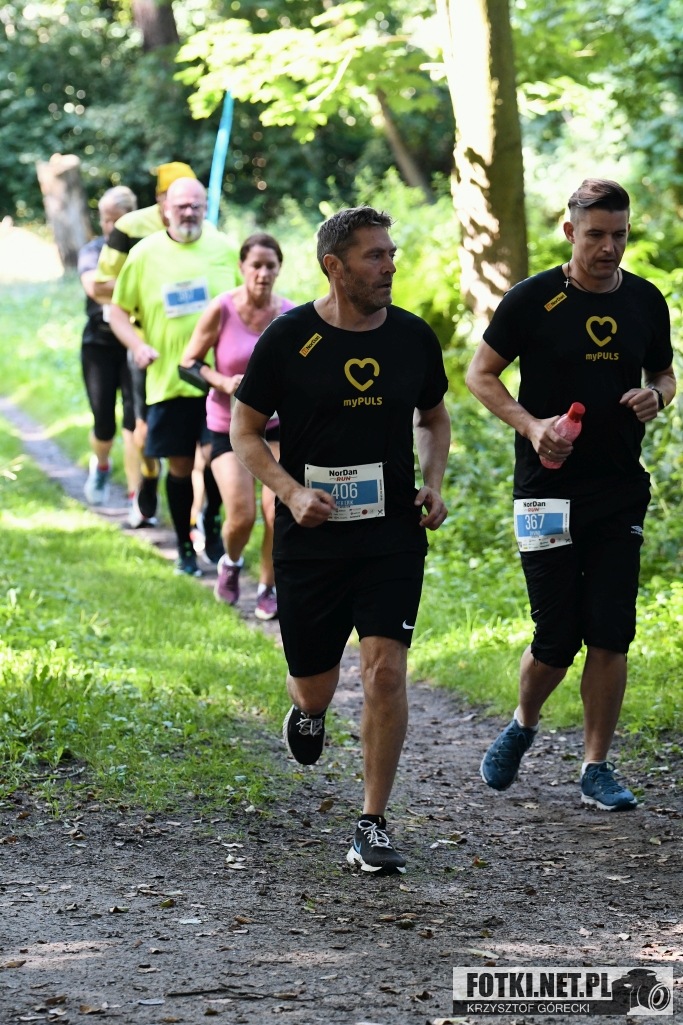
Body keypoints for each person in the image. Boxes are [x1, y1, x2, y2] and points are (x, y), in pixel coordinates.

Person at [230, 207, 451, 873]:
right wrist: (291, 492)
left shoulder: (412, 337)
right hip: (312, 539)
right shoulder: (289, 338)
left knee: (385, 671)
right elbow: (245, 431)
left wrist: (433, 482)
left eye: (391, 253)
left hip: (390, 536)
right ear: (334, 265)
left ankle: (371, 823)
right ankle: (307, 712)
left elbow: (433, 417)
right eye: (373, 256)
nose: (389, 266)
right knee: (314, 687)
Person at [466, 178, 676, 811]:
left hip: (618, 489)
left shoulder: (645, 300)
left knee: (611, 632)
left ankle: (596, 766)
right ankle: (523, 723)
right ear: (569, 232)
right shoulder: (532, 300)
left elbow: (664, 372)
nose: (609, 248)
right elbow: (480, 375)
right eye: (596, 235)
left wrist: (657, 395)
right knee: (557, 637)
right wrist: (532, 427)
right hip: (545, 491)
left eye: (620, 235)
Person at [109, 177, 237, 576]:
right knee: (180, 466)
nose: (189, 212)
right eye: (181, 206)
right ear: (166, 208)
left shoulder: (224, 248)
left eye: (196, 205)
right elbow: (117, 311)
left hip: (217, 381)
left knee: (216, 457)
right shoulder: (144, 253)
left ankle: (210, 524)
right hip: (167, 380)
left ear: (205, 207)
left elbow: (247, 304)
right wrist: (136, 345)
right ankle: (184, 546)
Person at [181, 233, 295, 619]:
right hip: (226, 427)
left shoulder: (291, 316)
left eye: (270, 266)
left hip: (275, 428)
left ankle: (268, 587)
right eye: (255, 265)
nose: (263, 273)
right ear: (241, 267)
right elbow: (188, 362)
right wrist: (222, 382)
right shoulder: (222, 308)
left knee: (277, 511)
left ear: (279, 269)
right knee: (242, 515)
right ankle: (230, 563)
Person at [94, 162, 198, 528]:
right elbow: (99, 286)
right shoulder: (130, 229)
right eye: (175, 200)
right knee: (143, 429)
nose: (185, 209)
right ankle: (148, 477)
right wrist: (147, 281)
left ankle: (198, 518)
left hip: (196, 350)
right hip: (146, 346)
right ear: (160, 199)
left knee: (203, 441)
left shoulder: (205, 232)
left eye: (192, 202)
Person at [78, 185, 139, 507]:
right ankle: (101, 465)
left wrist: (112, 286)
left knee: (133, 422)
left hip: (135, 344)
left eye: (117, 220)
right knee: (104, 422)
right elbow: (93, 287)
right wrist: (136, 284)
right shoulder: (93, 250)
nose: (110, 227)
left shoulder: (144, 249)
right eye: (105, 219)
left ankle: (136, 497)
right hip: (98, 345)